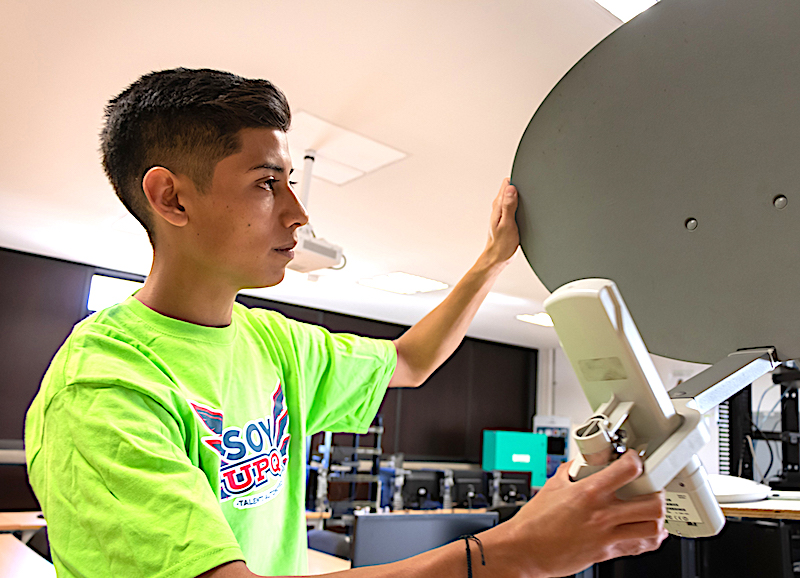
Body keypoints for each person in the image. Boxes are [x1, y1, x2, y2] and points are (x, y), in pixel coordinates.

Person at [25, 68, 667, 578]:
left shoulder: (272, 342)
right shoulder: (102, 391)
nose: (298, 213)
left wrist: (493, 259)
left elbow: (411, 361)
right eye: (266, 182)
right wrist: (508, 553)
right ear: (171, 197)